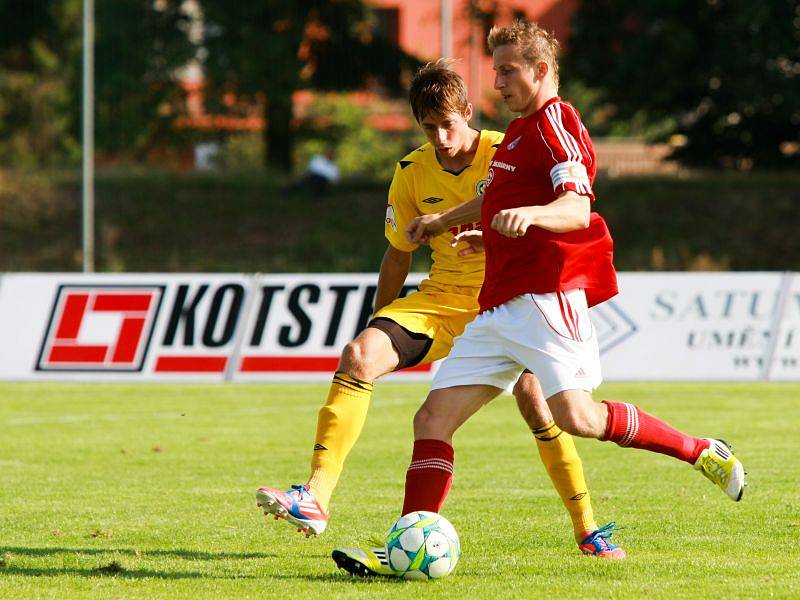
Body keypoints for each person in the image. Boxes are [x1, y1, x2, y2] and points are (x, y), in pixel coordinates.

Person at [342, 20, 746, 576]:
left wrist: (531, 216)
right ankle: (406, 544)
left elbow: (576, 208)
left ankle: (701, 450)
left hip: (546, 299)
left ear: (541, 70)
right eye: (495, 68)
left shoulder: (555, 123)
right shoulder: (518, 131)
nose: (497, 81)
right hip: (498, 306)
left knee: (577, 417)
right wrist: (471, 225)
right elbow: (499, 201)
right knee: (432, 417)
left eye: (507, 70)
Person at [256, 59, 625, 574]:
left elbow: (564, 209)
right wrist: (380, 318)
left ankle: (587, 527)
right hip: (440, 303)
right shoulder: (410, 171)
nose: (442, 137)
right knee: (360, 356)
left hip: (509, 301)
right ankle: (315, 495)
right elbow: (398, 252)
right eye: (429, 129)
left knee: (538, 403)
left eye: (448, 124)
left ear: (468, 112)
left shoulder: (509, 150)